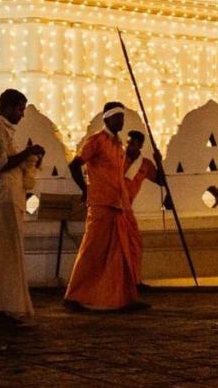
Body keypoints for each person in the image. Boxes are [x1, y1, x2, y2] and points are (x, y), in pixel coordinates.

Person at [64, 102, 146, 311]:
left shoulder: (118, 145)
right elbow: (75, 165)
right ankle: (74, 295)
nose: (122, 121)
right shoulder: (96, 141)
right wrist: (85, 189)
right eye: (118, 117)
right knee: (92, 250)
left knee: (121, 252)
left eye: (123, 117)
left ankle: (122, 298)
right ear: (107, 119)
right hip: (101, 203)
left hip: (119, 204)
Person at [0, 89, 44, 328]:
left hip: (13, 196)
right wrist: (27, 153)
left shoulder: (7, 132)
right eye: (19, 109)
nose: (21, 115)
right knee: (4, 254)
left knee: (12, 253)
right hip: (4, 197)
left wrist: (32, 159)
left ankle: (8, 307)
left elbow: (16, 167)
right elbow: (0, 165)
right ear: (7, 107)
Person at [123, 130, 165, 288]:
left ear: (140, 145)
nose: (129, 146)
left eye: (133, 143)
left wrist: (159, 162)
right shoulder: (118, 158)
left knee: (134, 244)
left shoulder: (145, 164)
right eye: (128, 142)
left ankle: (134, 280)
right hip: (113, 205)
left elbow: (161, 181)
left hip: (127, 208)